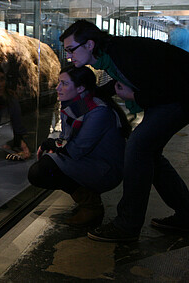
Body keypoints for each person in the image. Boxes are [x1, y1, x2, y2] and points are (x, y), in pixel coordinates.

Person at [60, 19, 189, 242]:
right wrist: (76, 107)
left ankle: (127, 226)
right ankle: (187, 215)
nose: (69, 57)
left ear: (89, 45)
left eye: (71, 50)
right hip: (170, 98)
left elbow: (171, 88)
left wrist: (135, 97)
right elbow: (114, 87)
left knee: (138, 148)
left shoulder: (124, 53)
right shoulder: (112, 56)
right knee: (150, 155)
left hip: (180, 98)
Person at [28, 65, 130, 226]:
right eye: (59, 83)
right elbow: (67, 140)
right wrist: (54, 146)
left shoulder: (98, 112)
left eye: (64, 84)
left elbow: (75, 149)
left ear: (81, 88)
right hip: (92, 160)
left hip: (105, 169)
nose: (58, 88)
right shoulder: (78, 105)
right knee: (48, 162)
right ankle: (88, 199)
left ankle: (92, 207)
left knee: (42, 170)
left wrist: (53, 146)